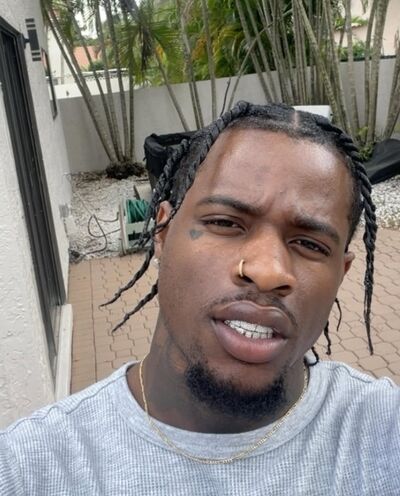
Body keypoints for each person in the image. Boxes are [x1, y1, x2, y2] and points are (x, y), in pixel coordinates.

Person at [1, 102, 399, 495]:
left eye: (310, 244)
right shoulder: (31, 470)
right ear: (162, 232)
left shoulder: (381, 432)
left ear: (341, 273)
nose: (267, 271)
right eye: (225, 222)